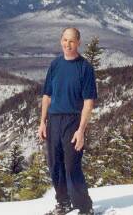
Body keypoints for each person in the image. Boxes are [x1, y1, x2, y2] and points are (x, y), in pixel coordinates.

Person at [38, 27, 97, 215]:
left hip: (73, 121)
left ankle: (85, 207)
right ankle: (63, 203)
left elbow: (89, 103)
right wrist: (42, 122)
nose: (67, 44)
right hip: (54, 120)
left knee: (72, 166)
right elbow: (47, 95)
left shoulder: (85, 68)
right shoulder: (55, 65)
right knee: (55, 165)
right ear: (60, 41)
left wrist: (81, 130)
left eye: (71, 41)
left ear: (78, 42)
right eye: (65, 40)